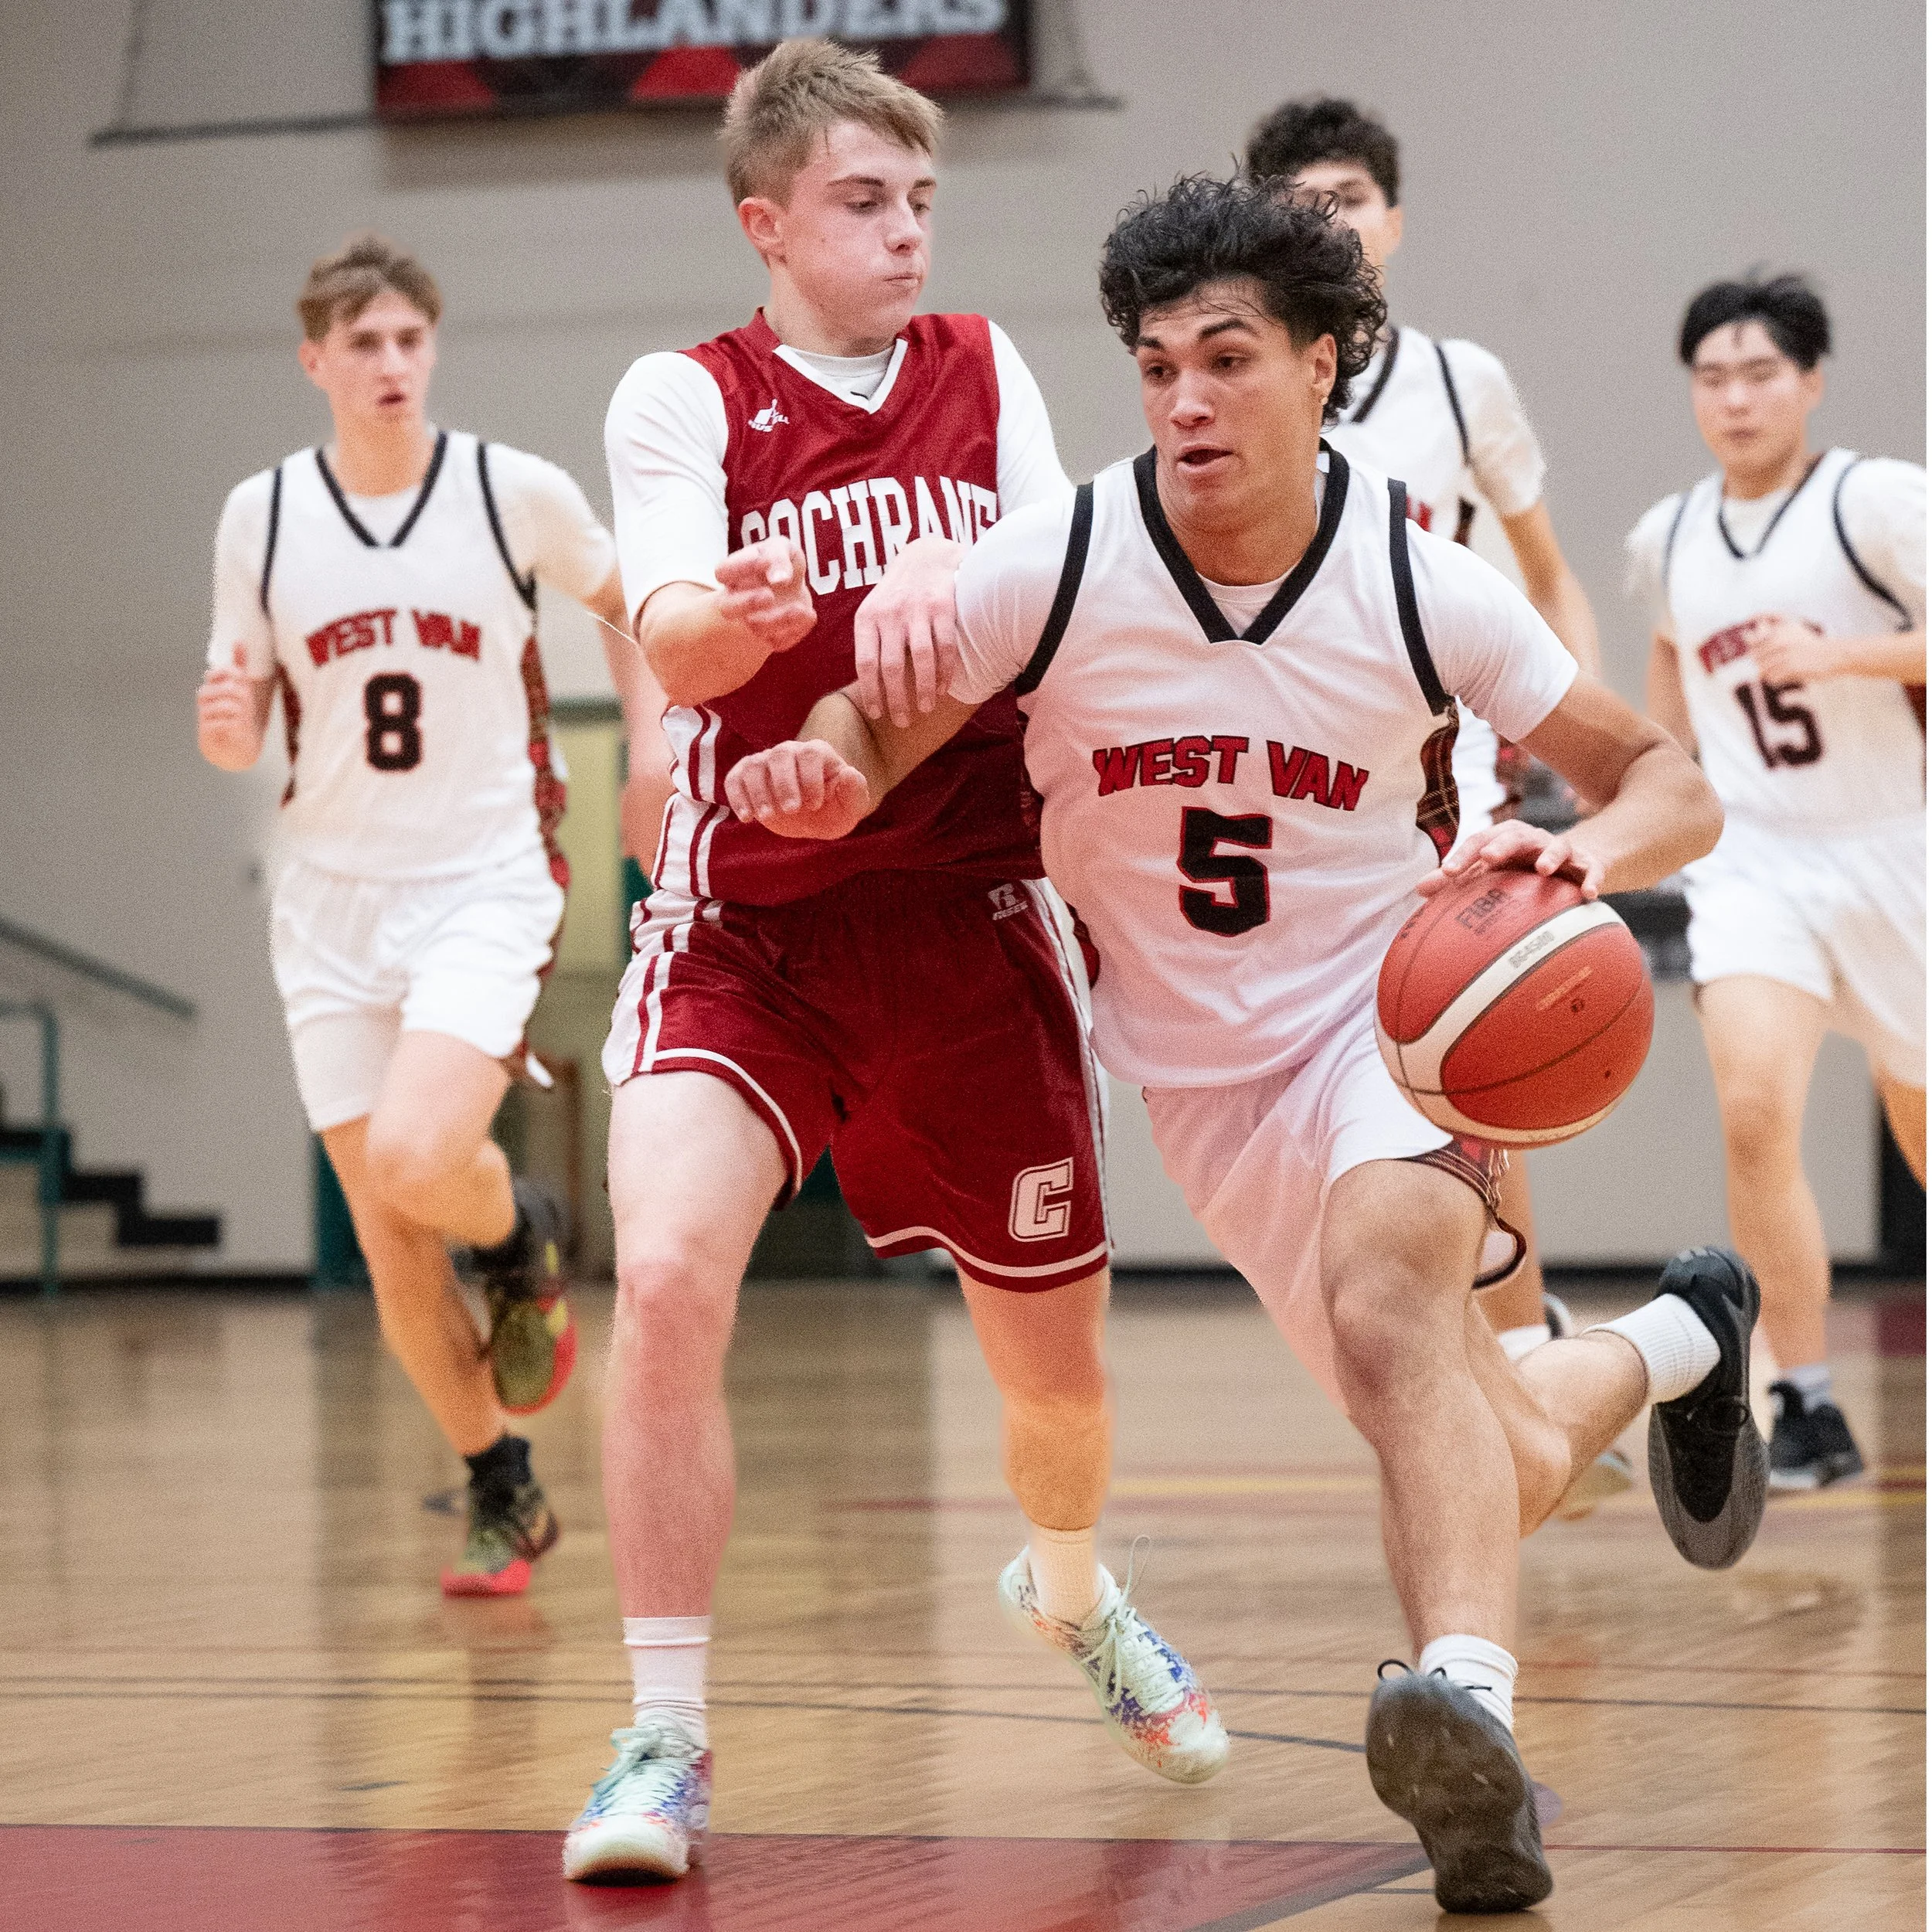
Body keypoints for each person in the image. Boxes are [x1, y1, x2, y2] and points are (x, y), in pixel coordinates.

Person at [726, 177, 1764, 1915]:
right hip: (1198, 1079)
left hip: (1400, 1026)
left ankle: (1465, 1724)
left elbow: (1671, 776)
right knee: (1476, 1441)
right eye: (1154, 367)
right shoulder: (1057, 559)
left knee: (1385, 1312)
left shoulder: (1420, 585)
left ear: (1323, 363)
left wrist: (1583, 856)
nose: (1186, 400)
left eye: (1225, 358)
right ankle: (1676, 1335)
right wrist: (825, 762)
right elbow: (870, 721)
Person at [562, 42, 1224, 1887]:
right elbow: (678, 636)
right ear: (766, 225)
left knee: (1054, 1388)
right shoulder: (682, 398)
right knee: (676, 1270)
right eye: (864, 201)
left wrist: (858, 742)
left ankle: (1073, 1590)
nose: (905, 231)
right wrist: (729, 625)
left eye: (921, 198)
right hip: (749, 924)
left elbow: (1028, 632)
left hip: (962, 912)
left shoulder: (985, 368)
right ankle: (663, 1731)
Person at [196, 234, 668, 1597]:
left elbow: (632, 603)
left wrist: (647, 753)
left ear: (433, 349)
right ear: (315, 362)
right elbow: (239, 725)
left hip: (485, 879)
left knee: (419, 1153)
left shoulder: (508, 490)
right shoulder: (262, 516)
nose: (392, 363)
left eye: (410, 339)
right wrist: (225, 728)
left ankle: (520, 1230)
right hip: (328, 901)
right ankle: (500, 1488)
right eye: (363, 344)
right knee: (388, 1231)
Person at [1244, 100, 1620, 1474]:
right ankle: (1532, 1372)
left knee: (1464, 1053)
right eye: (1296, 196)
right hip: (1285, 782)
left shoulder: (1463, 386)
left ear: (1392, 220)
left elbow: (1549, 564)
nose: (1326, 217)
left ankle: (1519, 1371)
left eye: (1348, 194)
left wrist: (1553, 735)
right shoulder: (1241, 379)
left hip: (1444, 772)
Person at [1631, 273, 1926, 1491]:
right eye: (1713, 377)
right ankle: (1801, 1398)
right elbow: (1667, 704)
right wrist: (1631, 823)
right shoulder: (1669, 536)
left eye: (1760, 374)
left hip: (1894, 844)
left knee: (1920, 1125)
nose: (1736, 398)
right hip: (1754, 861)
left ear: (1810, 381)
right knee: (1754, 1108)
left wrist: (1846, 654)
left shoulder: (1875, 499)